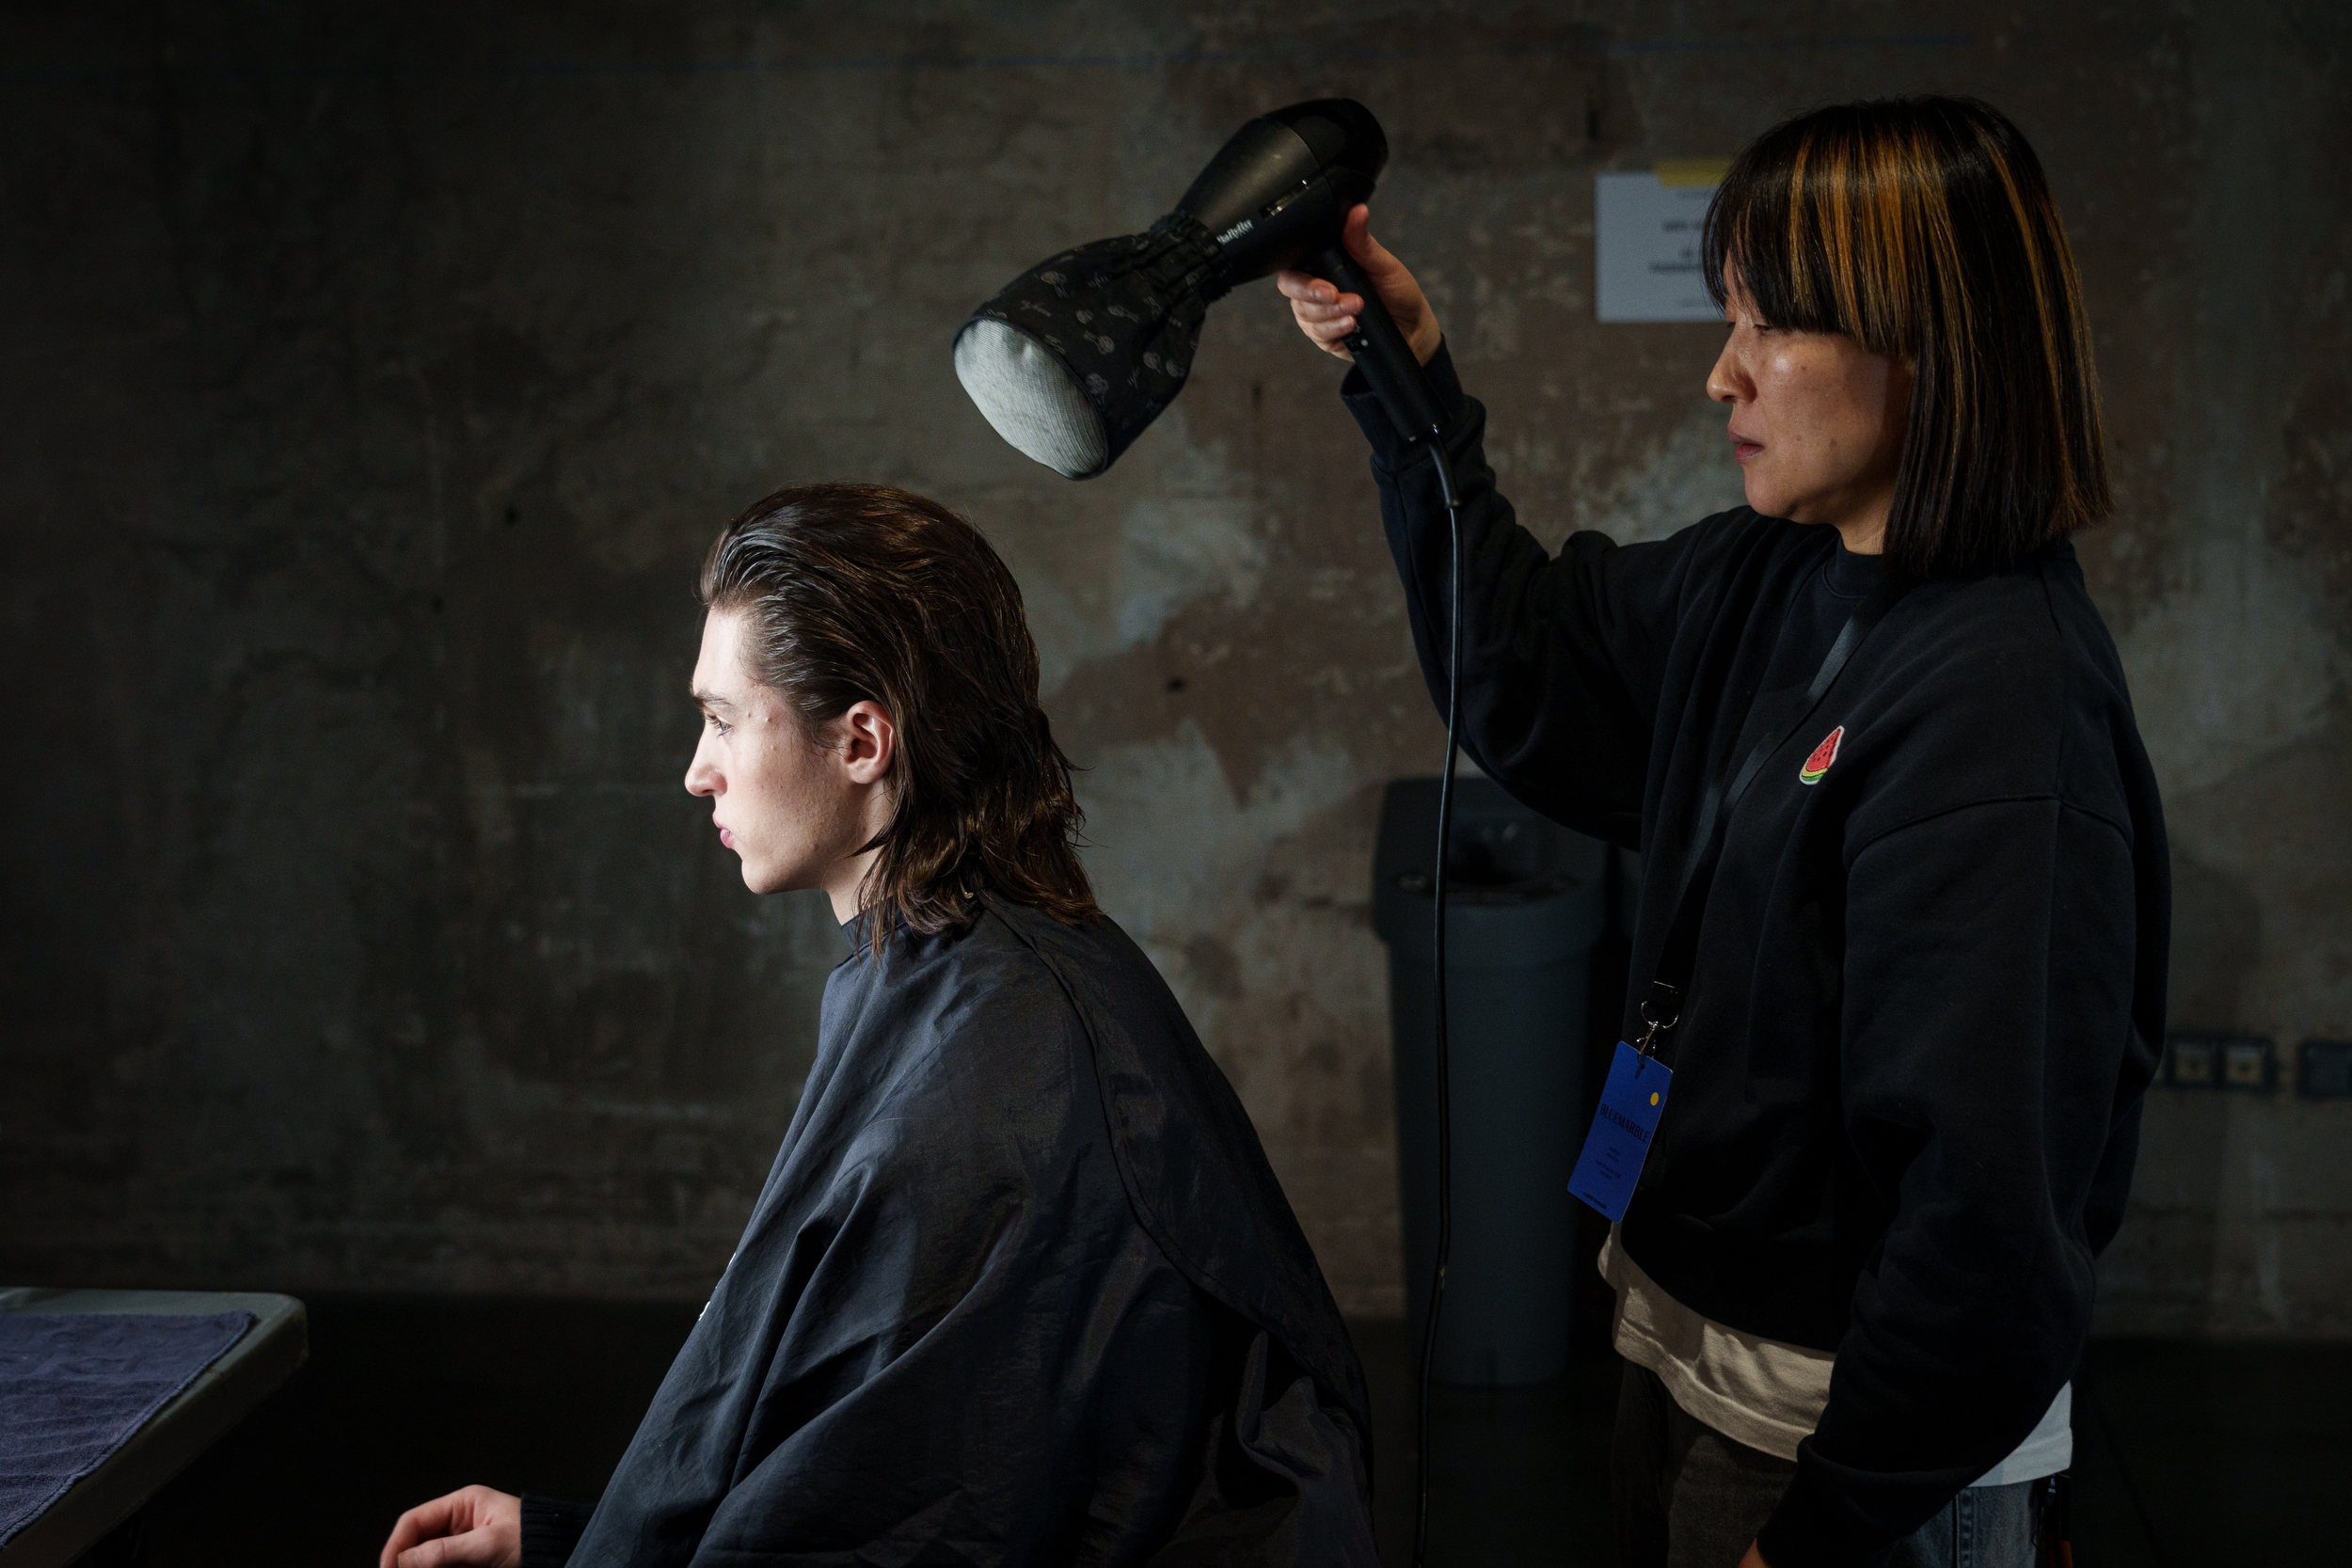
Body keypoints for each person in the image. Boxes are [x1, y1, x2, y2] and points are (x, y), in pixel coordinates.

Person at [1278, 97, 2167, 1568]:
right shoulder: (1777, 568)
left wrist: (1821, 1532)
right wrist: (1408, 382)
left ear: (1924, 339)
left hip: (1849, 1451)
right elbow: (1530, 668)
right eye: (1727, 317)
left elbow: (1987, 1212)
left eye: (1771, 328)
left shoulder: (2003, 710)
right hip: (1687, 1351)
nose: (1720, 374)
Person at [379, 483, 1378, 1568]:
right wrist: (573, 1540)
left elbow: (907, 1519)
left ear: (862, 741)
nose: (694, 769)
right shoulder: (978, 961)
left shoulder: (990, 1086)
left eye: (721, 719)